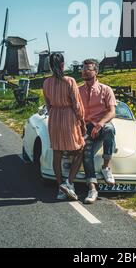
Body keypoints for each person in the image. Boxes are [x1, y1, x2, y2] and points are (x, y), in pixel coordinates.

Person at [43, 52, 86, 201]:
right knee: (80, 149)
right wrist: (82, 123)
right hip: (69, 117)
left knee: (57, 152)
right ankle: (68, 183)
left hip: (54, 117)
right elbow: (77, 105)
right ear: (62, 65)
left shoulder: (46, 82)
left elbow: (48, 104)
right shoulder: (70, 81)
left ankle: (60, 187)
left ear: (50, 65)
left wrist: (54, 113)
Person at [79, 59, 116, 204]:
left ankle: (106, 167)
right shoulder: (78, 90)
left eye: (88, 69)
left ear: (96, 72)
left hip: (101, 125)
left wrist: (100, 124)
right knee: (85, 151)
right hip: (85, 126)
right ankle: (92, 189)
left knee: (109, 129)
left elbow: (112, 112)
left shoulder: (106, 90)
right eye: (83, 69)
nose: (84, 71)